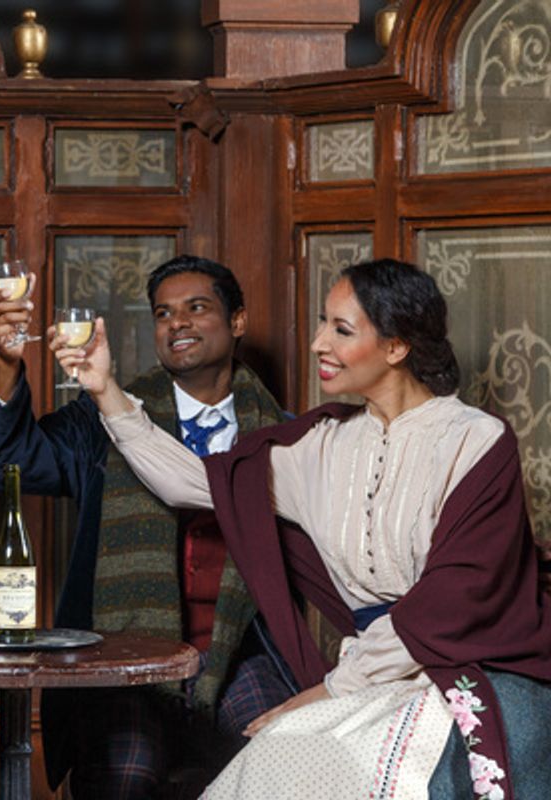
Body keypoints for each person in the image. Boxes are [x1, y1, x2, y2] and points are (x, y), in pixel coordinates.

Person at [62, 258, 551, 799]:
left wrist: (327, 692)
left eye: (341, 330)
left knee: (301, 751)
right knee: (276, 756)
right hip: (370, 676)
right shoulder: (320, 445)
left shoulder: (476, 441)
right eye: (323, 323)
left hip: (466, 664)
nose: (319, 342)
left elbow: (454, 597)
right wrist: (105, 388)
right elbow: (191, 483)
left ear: (396, 346)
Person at [0, 255, 295, 798]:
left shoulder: (286, 436)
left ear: (237, 321)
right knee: (124, 773)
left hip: (241, 653)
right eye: (164, 314)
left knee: (284, 758)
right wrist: (6, 360)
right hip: (126, 659)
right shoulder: (103, 420)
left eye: (197, 308)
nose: (178, 324)